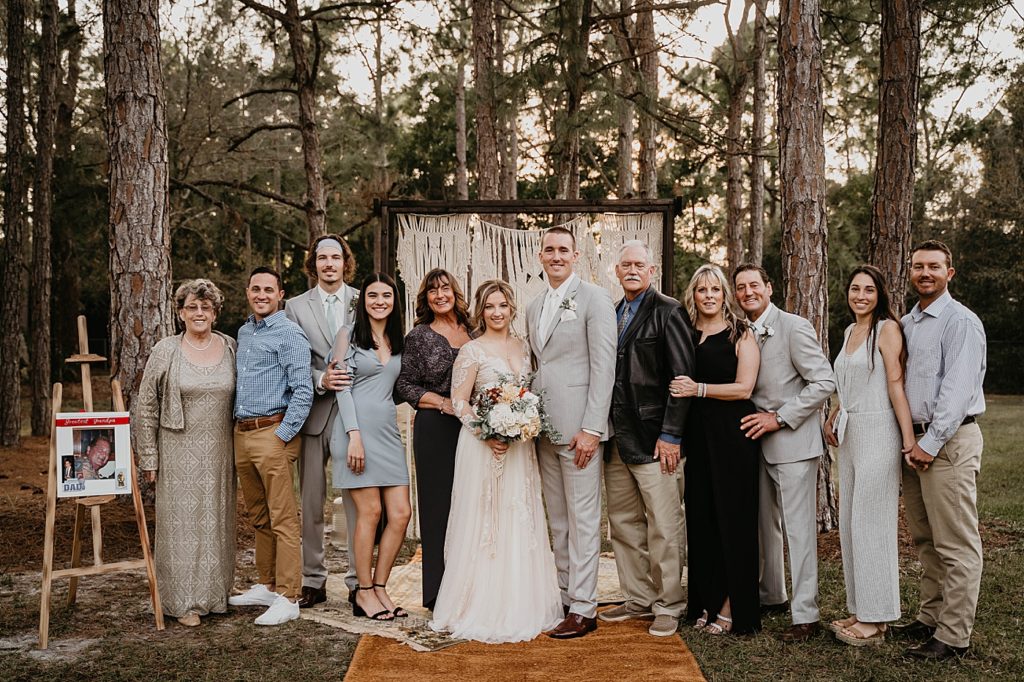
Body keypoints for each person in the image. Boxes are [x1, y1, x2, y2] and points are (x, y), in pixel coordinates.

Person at [430, 280, 563, 643]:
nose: (497, 312)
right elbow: (459, 400)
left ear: (511, 308)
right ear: (480, 310)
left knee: (518, 518)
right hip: (481, 446)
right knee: (486, 520)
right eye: (490, 306)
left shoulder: (524, 347)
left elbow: (528, 394)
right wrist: (485, 431)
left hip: (519, 448)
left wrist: (523, 423)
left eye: (503, 305)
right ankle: (477, 603)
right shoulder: (471, 351)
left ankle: (522, 601)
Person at [894, 240, 986, 660]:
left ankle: (953, 637)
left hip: (946, 443)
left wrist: (929, 444)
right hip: (914, 443)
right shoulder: (909, 323)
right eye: (918, 266)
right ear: (910, 273)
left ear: (950, 273)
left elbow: (956, 391)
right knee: (926, 539)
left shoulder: (960, 322)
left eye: (934, 266)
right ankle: (929, 618)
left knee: (956, 544)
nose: (924, 273)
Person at [733, 263, 834, 642]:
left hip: (791, 442)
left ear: (769, 288)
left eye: (754, 285)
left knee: (798, 530)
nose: (748, 293)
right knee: (763, 526)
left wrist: (780, 418)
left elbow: (824, 380)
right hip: (752, 443)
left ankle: (805, 616)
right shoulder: (740, 332)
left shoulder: (793, 326)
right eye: (741, 287)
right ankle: (771, 593)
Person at [527, 227, 616, 639]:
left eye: (564, 250)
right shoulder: (534, 305)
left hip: (580, 429)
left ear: (576, 255)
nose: (556, 256)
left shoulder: (595, 299)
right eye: (550, 250)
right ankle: (565, 596)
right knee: (558, 520)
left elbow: (604, 367)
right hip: (542, 429)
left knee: (583, 519)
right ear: (541, 255)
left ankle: (584, 607)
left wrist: (592, 428)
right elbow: (539, 366)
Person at [600, 241, 693, 638]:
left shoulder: (668, 311)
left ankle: (670, 603)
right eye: (626, 265)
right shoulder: (612, 312)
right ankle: (638, 598)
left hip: (656, 439)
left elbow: (681, 377)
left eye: (640, 264)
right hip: (617, 438)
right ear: (616, 272)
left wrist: (671, 434)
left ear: (651, 270)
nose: (632, 270)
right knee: (623, 524)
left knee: (664, 525)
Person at [135, 278, 237, 628]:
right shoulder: (166, 349)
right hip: (177, 451)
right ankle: (182, 602)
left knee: (216, 523)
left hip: (220, 452)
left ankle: (215, 596)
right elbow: (146, 405)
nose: (199, 312)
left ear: (215, 313)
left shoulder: (231, 346)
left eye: (205, 307)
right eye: (191, 306)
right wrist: (149, 456)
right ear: (180, 313)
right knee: (181, 527)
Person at [823, 265, 914, 646]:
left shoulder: (886, 329)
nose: (860, 295)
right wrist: (834, 413)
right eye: (855, 288)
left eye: (869, 290)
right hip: (852, 432)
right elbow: (849, 384)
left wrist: (909, 440)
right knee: (849, 522)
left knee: (871, 524)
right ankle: (861, 608)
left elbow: (894, 383)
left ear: (880, 295)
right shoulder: (848, 331)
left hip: (880, 431)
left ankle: (877, 621)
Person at [669, 264, 762, 636]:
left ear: (725, 294)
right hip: (699, 438)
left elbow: (744, 389)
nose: (708, 296)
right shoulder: (687, 334)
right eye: (701, 290)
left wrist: (699, 388)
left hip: (733, 437)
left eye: (715, 290)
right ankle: (706, 601)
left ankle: (730, 607)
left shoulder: (742, 333)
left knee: (733, 522)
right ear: (693, 295)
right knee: (702, 521)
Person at [229, 266, 313, 626]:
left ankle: (290, 595)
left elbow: (303, 390)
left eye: (268, 289)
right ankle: (267, 583)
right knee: (258, 517)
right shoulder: (244, 331)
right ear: (247, 292)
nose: (261, 294)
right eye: (255, 288)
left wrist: (282, 435)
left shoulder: (290, 333)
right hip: (241, 434)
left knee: (282, 518)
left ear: (281, 294)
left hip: (272, 432)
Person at [330, 272, 411, 622]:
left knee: (401, 513)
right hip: (355, 434)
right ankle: (362, 592)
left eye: (387, 296)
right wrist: (354, 435)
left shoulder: (398, 339)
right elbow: (342, 389)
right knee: (371, 512)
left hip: (389, 435)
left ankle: (380, 586)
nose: (380, 301)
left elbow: (395, 388)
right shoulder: (348, 335)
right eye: (373, 295)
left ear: (395, 301)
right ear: (362, 300)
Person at [284, 234, 360, 608]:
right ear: (312, 264)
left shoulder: (365, 299)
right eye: (321, 258)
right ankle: (313, 579)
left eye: (335, 257)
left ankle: (358, 579)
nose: (329, 264)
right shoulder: (294, 307)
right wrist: (320, 379)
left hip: (353, 415)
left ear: (345, 262)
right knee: (311, 501)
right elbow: (291, 358)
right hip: (313, 412)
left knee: (355, 501)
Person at [393, 269, 473, 610]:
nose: (440, 295)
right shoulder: (418, 337)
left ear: (455, 292)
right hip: (434, 428)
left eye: (445, 288)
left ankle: (470, 586)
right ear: (425, 298)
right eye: (432, 291)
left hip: (472, 430)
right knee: (438, 508)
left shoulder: (475, 331)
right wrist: (441, 402)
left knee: (472, 507)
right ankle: (438, 592)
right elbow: (404, 385)